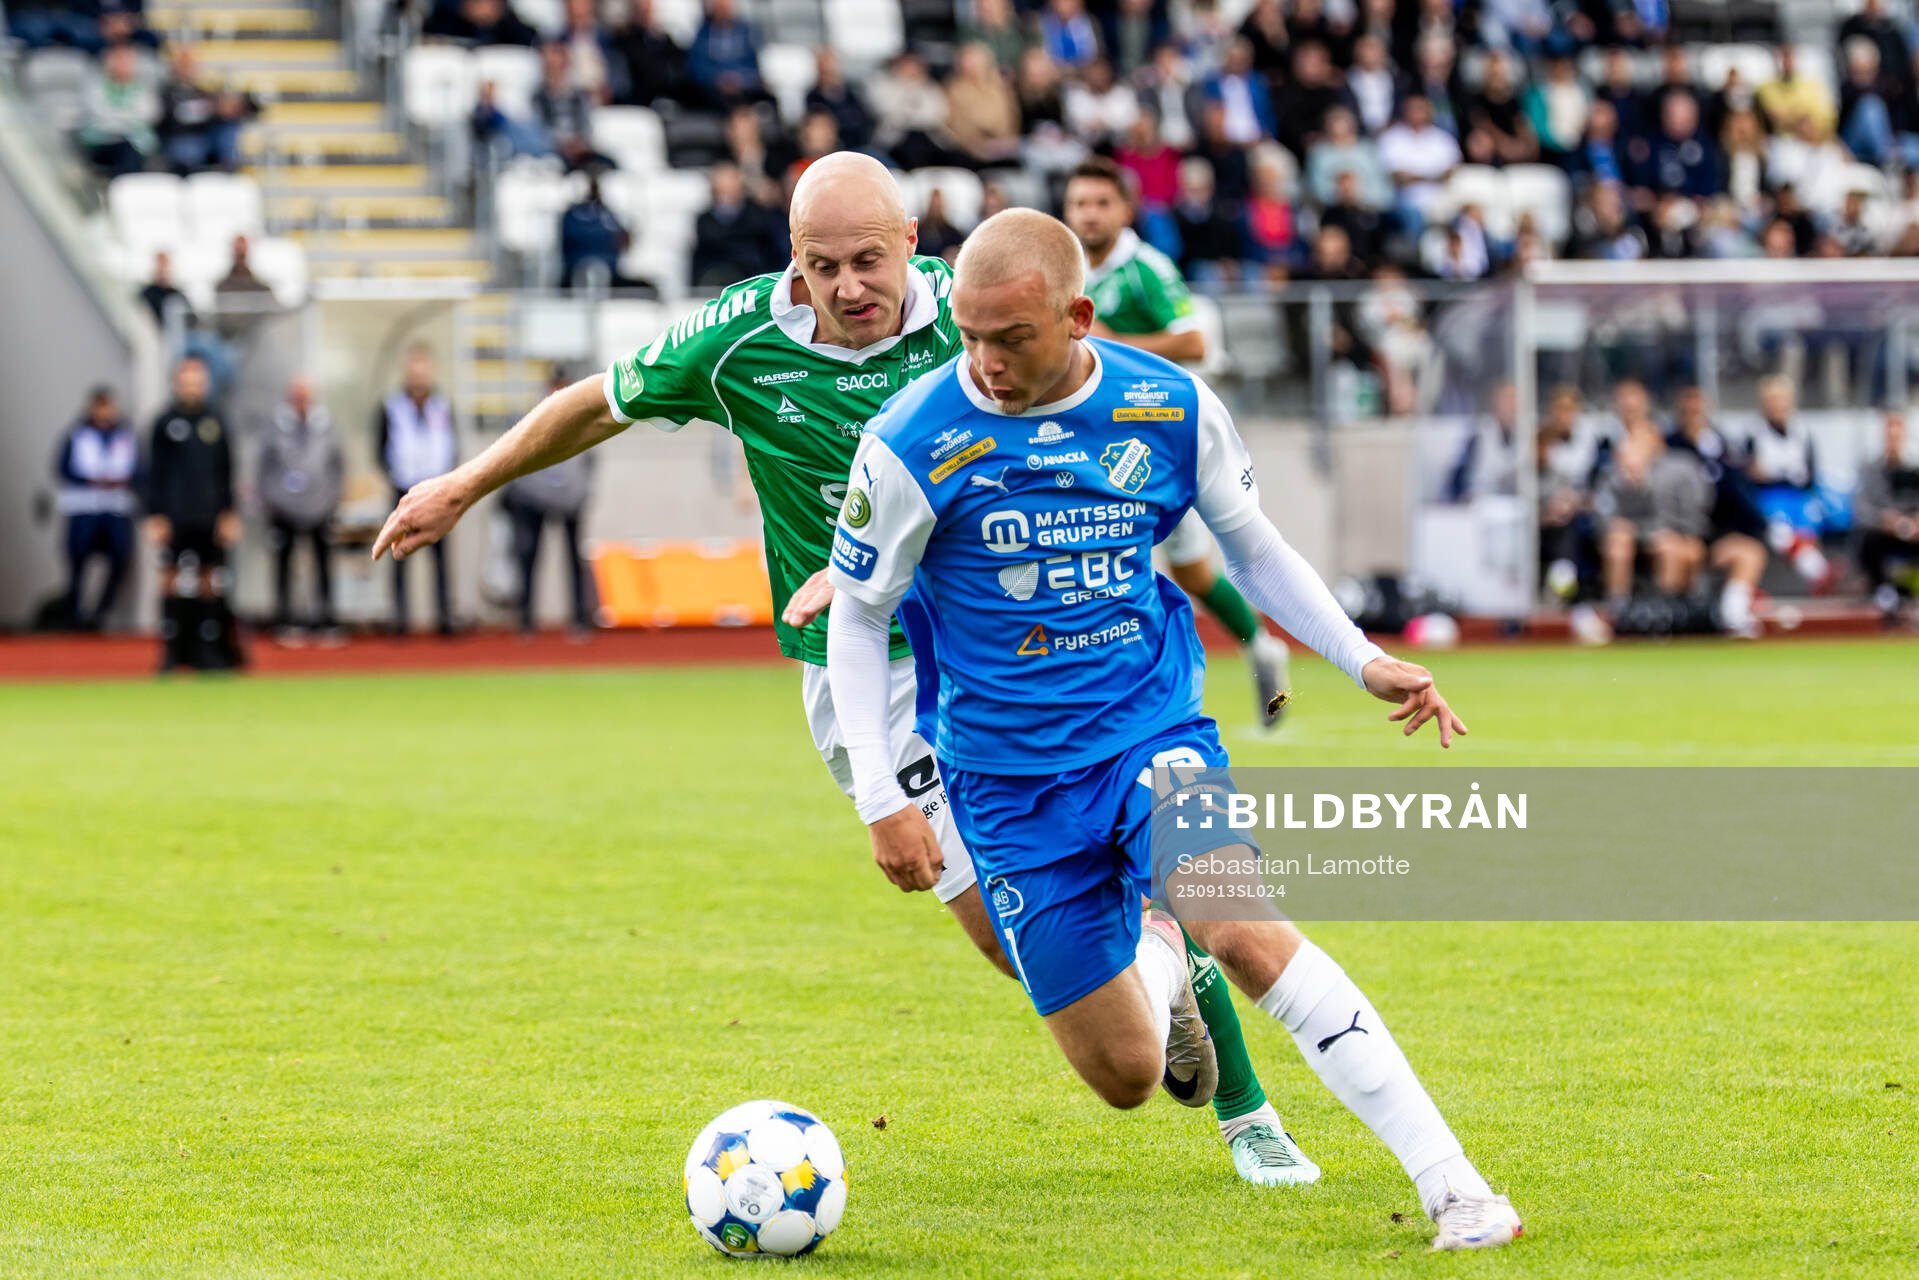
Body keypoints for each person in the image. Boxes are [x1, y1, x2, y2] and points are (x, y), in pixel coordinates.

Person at [370, 152, 1307, 1188]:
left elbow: (1080, 398)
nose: (850, 286)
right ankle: (1162, 966)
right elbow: (597, 403)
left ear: (909, 244)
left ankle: (1248, 1112)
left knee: (1134, 865)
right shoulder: (735, 340)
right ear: (793, 259)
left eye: (869, 260)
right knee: (1012, 943)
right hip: (862, 678)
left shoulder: (968, 314)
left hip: (995, 653)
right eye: (824, 266)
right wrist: (464, 483)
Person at [822, 208, 1521, 1250]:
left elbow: (1253, 547)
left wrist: (1360, 656)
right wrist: (882, 797)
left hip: (1149, 734)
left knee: (1240, 927)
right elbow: (856, 616)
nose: (984, 362)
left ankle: (1454, 1185)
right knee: (1126, 1074)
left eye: (1010, 338)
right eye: (967, 335)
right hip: (1004, 787)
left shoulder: (1168, 406)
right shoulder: (911, 438)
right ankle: (1156, 948)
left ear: (1078, 317)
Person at [1063, 156, 1292, 731]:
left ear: (1125, 210)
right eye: (1080, 204)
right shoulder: (1066, 267)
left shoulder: (1145, 268)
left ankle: (1228, 659)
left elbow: (1195, 342)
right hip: (1090, 440)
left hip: (1152, 444)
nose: (1089, 215)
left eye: (1101, 203)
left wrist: (1112, 343)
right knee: (1182, 573)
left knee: (1143, 565)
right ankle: (1260, 647)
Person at [143, 356, 242, 672]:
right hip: (174, 516)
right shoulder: (164, 423)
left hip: (209, 516)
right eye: (187, 381)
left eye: (197, 381)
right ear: (177, 384)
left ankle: (207, 650)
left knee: (209, 580)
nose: (192, 387)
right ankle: (172, 651)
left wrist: (229, 512)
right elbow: (154, 472)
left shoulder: (215, 421)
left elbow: (226, 471)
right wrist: (155, 513)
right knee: (170, 578)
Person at [502, 371, 596, 637]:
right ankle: (526, 620)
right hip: (534, 496)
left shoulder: (582, 417)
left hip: (570, 497)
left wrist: (579, 492)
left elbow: (590, 460)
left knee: (574, 558)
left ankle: (579, 618)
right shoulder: (534, 415)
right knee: (529, 554)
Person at [377, 345, 459, 635]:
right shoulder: (391, 406)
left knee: (440, 556)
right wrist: (395, 474)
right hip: (403, 488)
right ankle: (400, 617)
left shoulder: (442, 406)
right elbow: (381, 448)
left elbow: (452, 444)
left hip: (436, 489)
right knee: (400, 553)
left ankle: (444, 616)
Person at [257, 374, 344, 640]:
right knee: (283, 564)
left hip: (320, 506)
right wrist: (273, 500)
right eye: (297, 395)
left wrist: (331, 499)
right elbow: (264, 469)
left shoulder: (326, 426)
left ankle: (325, 617)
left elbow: (337, 466)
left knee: (323, 563)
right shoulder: (276, 427)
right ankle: (284, 618)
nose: (301, 400)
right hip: (284, 507)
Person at [53, 386, 139, 631]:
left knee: (120, 557)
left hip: (116, 507)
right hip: (84, 507)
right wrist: (88, 481)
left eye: (108, 406)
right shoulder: (77, 435)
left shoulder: (125, 436)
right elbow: (62, 469)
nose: (104, 412)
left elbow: (139, 471)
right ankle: (73, 614)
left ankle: (100, 612)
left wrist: (122, 481)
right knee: (78, 560)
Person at [1856, 410, 1919, 623]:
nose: (1893, 437)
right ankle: (1886, 596)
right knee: (1867, 539)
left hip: (1914, 533)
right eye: (1889, 432)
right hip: (1884, 534)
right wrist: (1885, 520)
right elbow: (1862, 508)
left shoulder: (1914, 469)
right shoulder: (1871, 470)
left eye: (1897, 431)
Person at [78, 42, 158, 178]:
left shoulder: (143, 88)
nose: (124, 65)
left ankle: (127, 183)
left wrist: (120, 119)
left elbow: (149, 114)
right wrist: (127, 120)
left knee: (129, 151)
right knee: (125, 151)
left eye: (128, 61)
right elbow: (98, 113)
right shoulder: (96, 87)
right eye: (120, 60)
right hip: (102, 141)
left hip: (134, 143)